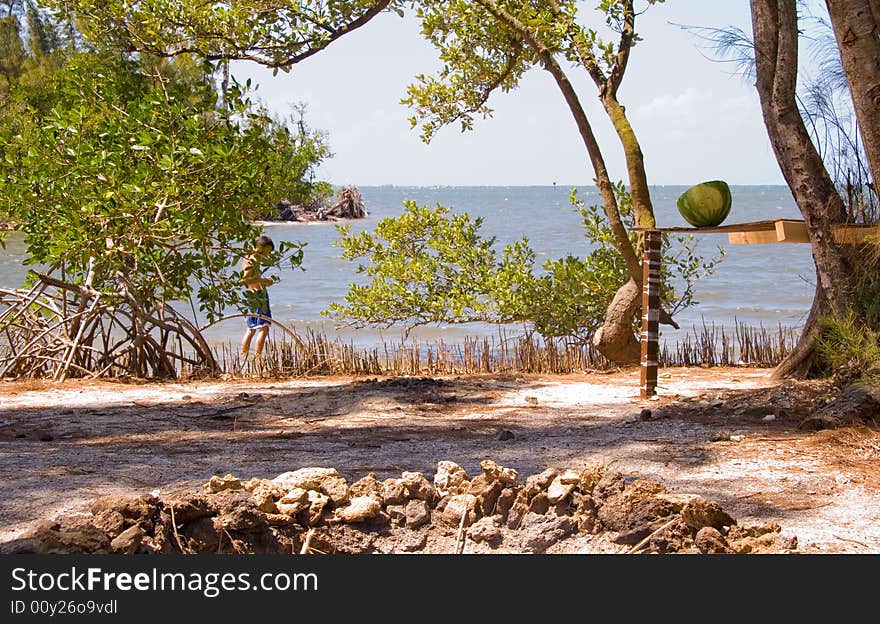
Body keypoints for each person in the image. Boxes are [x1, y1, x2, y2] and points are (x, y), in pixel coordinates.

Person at [240, 235, 275, 360]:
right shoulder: (254, 259)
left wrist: (262, 280)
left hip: (251, 294)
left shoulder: (247, 257)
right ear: (261, 248)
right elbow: (245, 278)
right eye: (268, 251)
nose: (268, 255)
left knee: (251, 329)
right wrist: (264, 281)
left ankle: (243, 356)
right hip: (258, 294)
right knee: (264, 328)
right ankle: (258, 358)